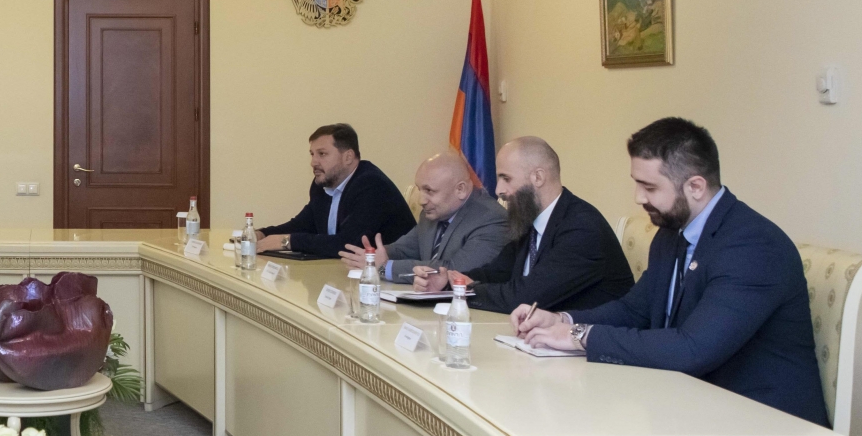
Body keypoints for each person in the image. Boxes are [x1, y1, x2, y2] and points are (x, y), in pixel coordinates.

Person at [515, 118, 828, 425]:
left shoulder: (753, 246)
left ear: (695, 186)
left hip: (764, 424)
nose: (638, 197)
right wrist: (563, 320)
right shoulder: (671, 233)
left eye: (649, 187)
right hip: (691, 405)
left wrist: (580, 337)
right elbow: (635, 310)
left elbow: (693, 349)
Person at [415, 135, 632, 315]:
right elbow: (495, 272)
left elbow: (526, 297)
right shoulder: (529, 221)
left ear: (538, 177)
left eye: (506, 178)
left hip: (587, 345)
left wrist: (465, 289)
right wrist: (446, 281)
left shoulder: (582, 227)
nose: (498, 190)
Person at [340, 150, 508, 280]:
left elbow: (455, 270)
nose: (421, 200)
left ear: (460, 189)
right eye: (420, 189)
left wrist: (386, 267)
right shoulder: (433, 213)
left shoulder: (492, 219)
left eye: (429, 191)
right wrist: (372, 257)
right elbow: (404, 249)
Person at [256, 123, 414, 258]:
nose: (313, 162)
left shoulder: (372, 185)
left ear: (348, 157)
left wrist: (287, 242)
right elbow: (303, 224)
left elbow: (348, 244)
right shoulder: (322, 185)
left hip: (395, 276)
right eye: (312, 154)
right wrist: (262, 234)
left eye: (322, 154)